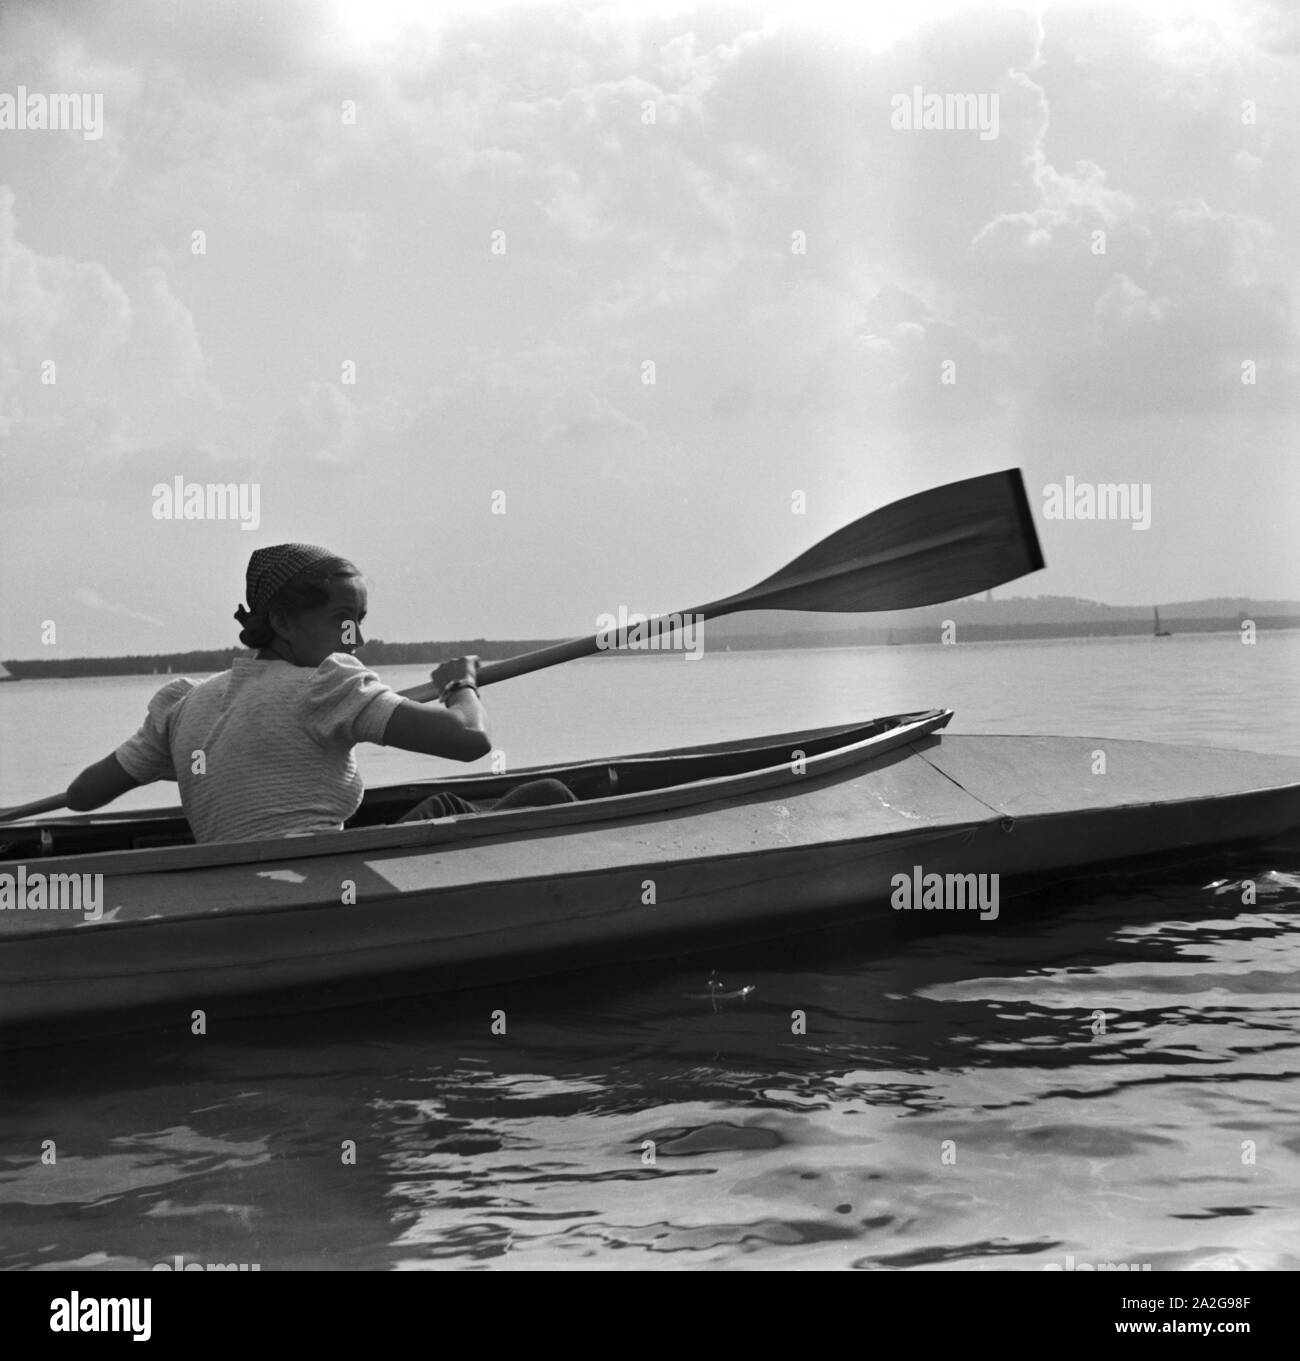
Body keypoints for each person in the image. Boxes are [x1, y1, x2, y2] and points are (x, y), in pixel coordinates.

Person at [65, 543, 575, 842]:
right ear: (283, 622)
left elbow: (82, 795)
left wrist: (189, 756)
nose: (357, 639)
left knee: (443, 804)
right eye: (342, 621)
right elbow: (470, 741)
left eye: (360, 622)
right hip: (322, 884)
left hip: (243, 890)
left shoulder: (183, 705)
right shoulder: (329, 683)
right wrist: (459, 684)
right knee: (547, 796)